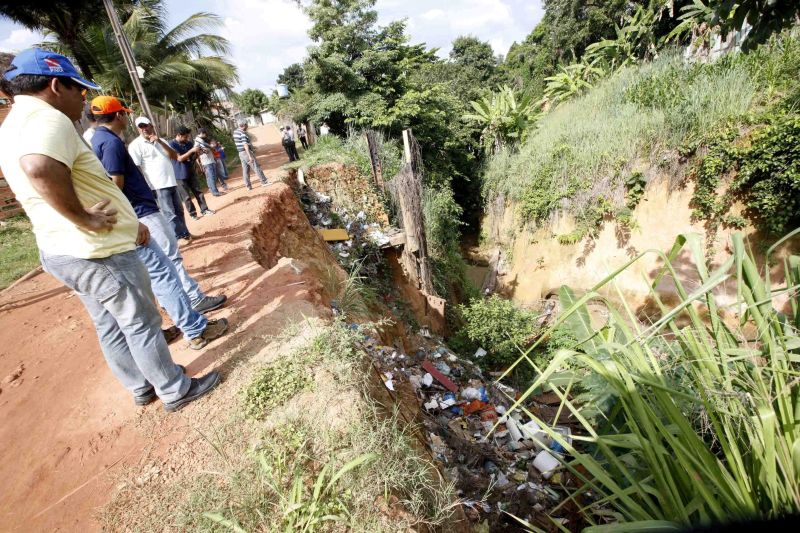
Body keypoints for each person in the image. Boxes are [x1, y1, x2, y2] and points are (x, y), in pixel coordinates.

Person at [0, 48, 219, 411]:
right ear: (56, 85)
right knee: (141, 319)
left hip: (61, 248)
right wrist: (86, 220)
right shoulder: (47, 119)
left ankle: (140, 385)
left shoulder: (11, 125)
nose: (82, 100)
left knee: (109, 322)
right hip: (95, 248)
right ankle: (174, 388)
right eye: (78, 91)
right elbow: (38, 168)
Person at [89, 95, 229, 347]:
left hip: (140, 210)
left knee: (153, 273)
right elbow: (115, 185)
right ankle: (194, 326)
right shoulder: (111, 143)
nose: (133, 123)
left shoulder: (97, 140)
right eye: (126, 116)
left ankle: (177, 322)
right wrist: (130, 219)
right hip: (141, 213)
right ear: (119, 115)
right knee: (165, 267)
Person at [128, 116, 193, 243]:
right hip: (157, 185)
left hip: (171, 181)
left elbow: (174, 156)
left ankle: (185, 234)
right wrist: (145, 187)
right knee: (169, 214)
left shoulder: (162, 140)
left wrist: (160, 142)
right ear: (137, 129)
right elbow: (137, 168)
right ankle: (177, 238)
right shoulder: (135, 145)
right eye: (141, 127)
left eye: (146, 125)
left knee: (179, 211)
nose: (144, 129)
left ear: (151, 126)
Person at [169, 126, 214, 219]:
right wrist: (192, 150)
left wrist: (199, 152)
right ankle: (193, 214)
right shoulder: (172, 144)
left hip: (191, 171)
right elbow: (180, 158)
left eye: (187, 137)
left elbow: (192, 157)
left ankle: (205, 209)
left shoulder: (188, 143)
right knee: (186, 197)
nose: (187, 139)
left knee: (199, 192)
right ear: (178, 135)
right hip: (179, 175)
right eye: (185, 137)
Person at [233, 118, 268, 190]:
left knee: (245, 170)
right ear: (244, 125)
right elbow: (245, 144)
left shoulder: (235, 132)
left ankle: (248, 186)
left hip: (240, 153)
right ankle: (264, 181)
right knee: (256, 166)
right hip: (246, 152)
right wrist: (249, 156)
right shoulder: (242, 133)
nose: (247, 126)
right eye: (247, 125)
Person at [194, 127, 223, 196]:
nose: (206, 135)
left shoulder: (200, 140)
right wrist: (207, 149)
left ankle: (212, 190)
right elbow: (197, 151)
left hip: (209, 160)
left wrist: (209, 148)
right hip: (207, 162)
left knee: (210, 177)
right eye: (205, 134)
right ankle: (215, 192)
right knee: (211, 177)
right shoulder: (198, 141)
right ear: (201, 133)